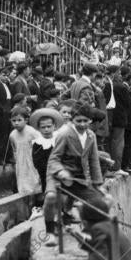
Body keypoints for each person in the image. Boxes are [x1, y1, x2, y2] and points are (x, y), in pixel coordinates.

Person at [44, 101, 107, 246]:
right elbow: (53, 159)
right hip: (59, 175)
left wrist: (98, 183)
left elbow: (93, 160)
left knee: (98, 201)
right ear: (72, 120)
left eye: (86, 121)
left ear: (90, 121)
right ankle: (49, 231)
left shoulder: (91, 136)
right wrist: (61, 171)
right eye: (79, 121)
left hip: (79, 177)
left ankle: (88, 233)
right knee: (51, 197)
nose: (83, 124)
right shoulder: (65, 134)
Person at [9, 107, 42, 194]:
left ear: (26, 120)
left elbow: (39, 146)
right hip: (20, 160)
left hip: (32, 159)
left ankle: (37, 197)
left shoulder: (32, 132)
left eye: (19, 120)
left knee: (34, 178)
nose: (16, 123)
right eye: (14, 120)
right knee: (23, 178)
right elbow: (14, 149)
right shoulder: (12, 135)